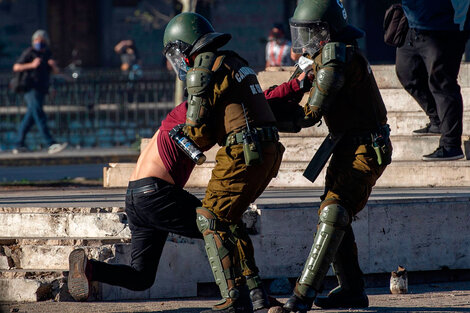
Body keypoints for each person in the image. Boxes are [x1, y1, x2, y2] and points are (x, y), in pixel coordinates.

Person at [67, 54, 310, 313]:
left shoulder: (179, 114)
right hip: (157, 193)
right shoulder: (192, 111)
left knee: (141, 277)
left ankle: (90, 268)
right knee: (221, 225)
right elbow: (259, 101)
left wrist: (292, 89)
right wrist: (294, 86)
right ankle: (253, 296)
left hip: (136, 196)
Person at [162, 12, 307, 313]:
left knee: (208, 218)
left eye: (177, 54)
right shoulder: (231, 61)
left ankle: (232, 298)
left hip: (243, 151)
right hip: (265, 150)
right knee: (230, 219)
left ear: (184, 47)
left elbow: (199, 135)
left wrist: (181, 134)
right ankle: (256, 296)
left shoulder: (202, 69)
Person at [282, 0, 393, 311]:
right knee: (334, 210)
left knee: (334, 211)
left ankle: (302, 297)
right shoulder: (327, 55)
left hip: (365, 148)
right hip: (347, 145)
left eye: (310, 33)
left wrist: (267, 118)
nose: (304, 41)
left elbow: (310, 114)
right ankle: (353, 290)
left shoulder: (334, 56)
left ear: (324, 32)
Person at [396, 0, 470, 161]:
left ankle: (451, 145)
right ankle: (437, 120)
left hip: (444, 26)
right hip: (412, 24)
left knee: (442, 83)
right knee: (407, 73)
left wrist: (458, 20)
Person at [12, 29, 68, 154]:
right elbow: (16, 67)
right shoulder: (29, 53)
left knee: (30, 117)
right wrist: (31, 65)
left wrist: (53, 66)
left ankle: (18, 144)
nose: (40, 43)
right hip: (30, 88)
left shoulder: (47, 54)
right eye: (38, 41)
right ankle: (50, 143)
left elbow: (55, 72)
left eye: (42, 41)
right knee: (39, 115)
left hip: (42, 89)